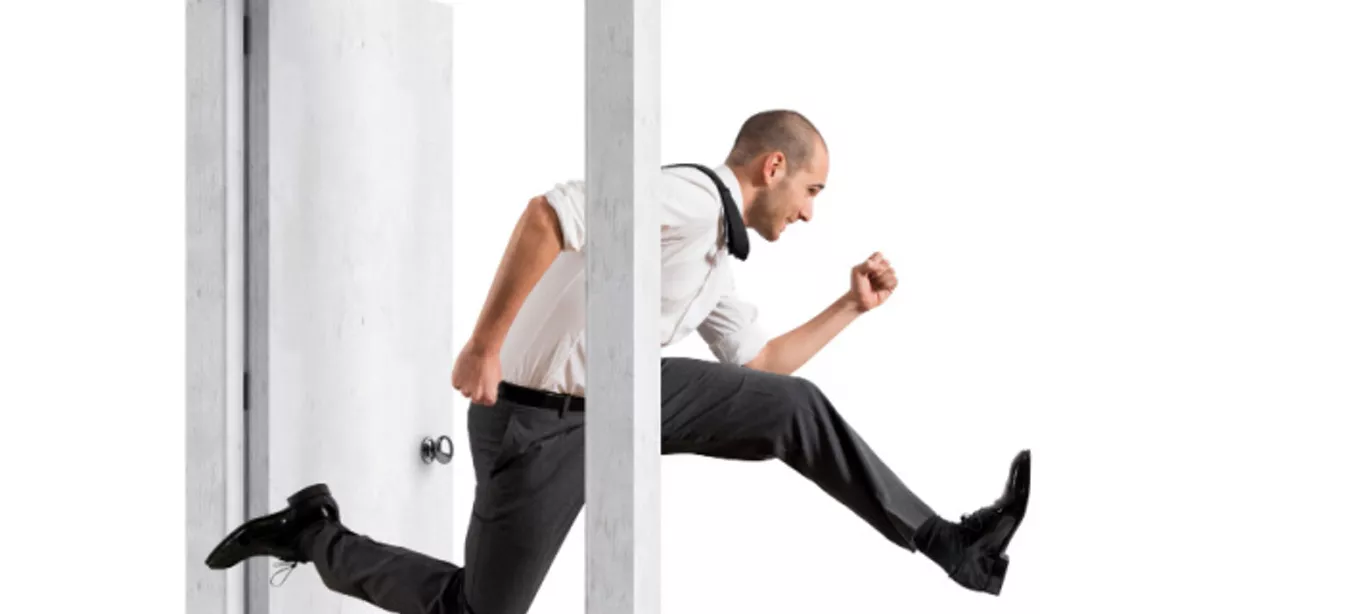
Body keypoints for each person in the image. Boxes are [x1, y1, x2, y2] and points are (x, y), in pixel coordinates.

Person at [204, 109, 1031, 613]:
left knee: (793, 408)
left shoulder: (719, 257)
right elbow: (547, 215)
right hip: (535, 417)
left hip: (622, 402)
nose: (813, 212)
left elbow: (765, 364)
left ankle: (949, 542)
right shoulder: (684, 199)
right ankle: (315, 535)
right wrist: (484, 343)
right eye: (813, 192)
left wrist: (849, 306)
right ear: (773, 168)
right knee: (478, 612)